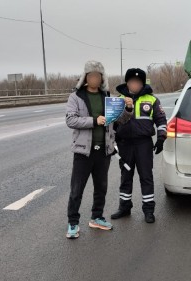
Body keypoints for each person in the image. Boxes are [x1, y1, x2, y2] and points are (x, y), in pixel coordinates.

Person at [65, 60, 134, 239]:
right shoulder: (76, 97)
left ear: (102, 78)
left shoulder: (107, 96)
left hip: (103, 150)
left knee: (101, 187)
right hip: (83, 151)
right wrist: (94, 121)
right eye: (91, 75)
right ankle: (73, 222)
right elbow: (70, 120)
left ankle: (97, 217)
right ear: (85, 77)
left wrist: (128, 108)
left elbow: (120, 120)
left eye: (98, 75)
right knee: (76, 189)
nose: (94, 78)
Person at [111, 68, 167, 223]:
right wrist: (111, 142)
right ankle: (124, 207)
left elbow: (161, 121)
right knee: (125, 176)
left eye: (138, 82)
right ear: (127, 83)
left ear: (142, 83)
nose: (134, 84)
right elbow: (112, 125)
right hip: (125, 145)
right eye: (131, 82)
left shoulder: (152, 100)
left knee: (146, 177)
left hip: (143, 144)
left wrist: (161, 138)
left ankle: (148, 210)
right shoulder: (118, 100)